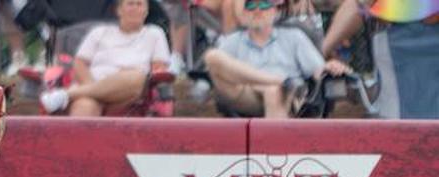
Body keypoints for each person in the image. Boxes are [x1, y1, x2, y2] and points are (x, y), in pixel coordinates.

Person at [203, 0, 350, 118]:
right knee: (212, 56)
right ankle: (277, 80)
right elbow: (215, 66)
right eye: (250, 5)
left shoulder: (294, 36)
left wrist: (330, 67)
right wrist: (277, 81)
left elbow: (317, 70)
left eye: (265, 4)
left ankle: (271, 151)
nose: (257, 10)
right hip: (248, 93)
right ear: (244, 13)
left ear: (275, 10)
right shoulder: (234, 39)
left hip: (287, 94)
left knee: (272, 91)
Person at [39, 0, 171, 115]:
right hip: (93, 82)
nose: (135, 8)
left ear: (146, 11)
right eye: (130, 4)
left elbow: (158, 68)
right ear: (119, 10)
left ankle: (66, 95)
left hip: (129, 91)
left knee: (137, 77)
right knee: (85, 105)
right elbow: (79, 63)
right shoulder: (100, 32)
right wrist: (98, 89)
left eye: (140, 4)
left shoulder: (154, 33)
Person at [321, 0, 438, 119]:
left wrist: (320, 53)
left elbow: (358, 6)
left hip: (399, 43)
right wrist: (319, 54)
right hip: (398, 45)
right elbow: (358, 6)